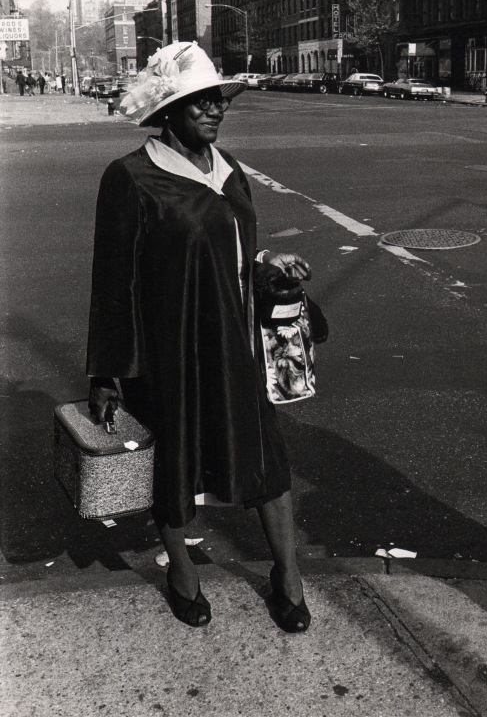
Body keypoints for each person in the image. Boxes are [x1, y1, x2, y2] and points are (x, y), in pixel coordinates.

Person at [86, 42, 312, 632]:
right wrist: (107, 371)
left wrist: (269, 264)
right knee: (176, 462)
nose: (215, 109)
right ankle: (182, 569)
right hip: (171, 351)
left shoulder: (231, 169)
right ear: (169, 108)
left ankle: (287, 576)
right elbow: (113, 282)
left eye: (218, 99)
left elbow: (235, 253)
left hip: (239, 344)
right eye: (199, 100)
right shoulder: (131, 177)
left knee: (265, 458)